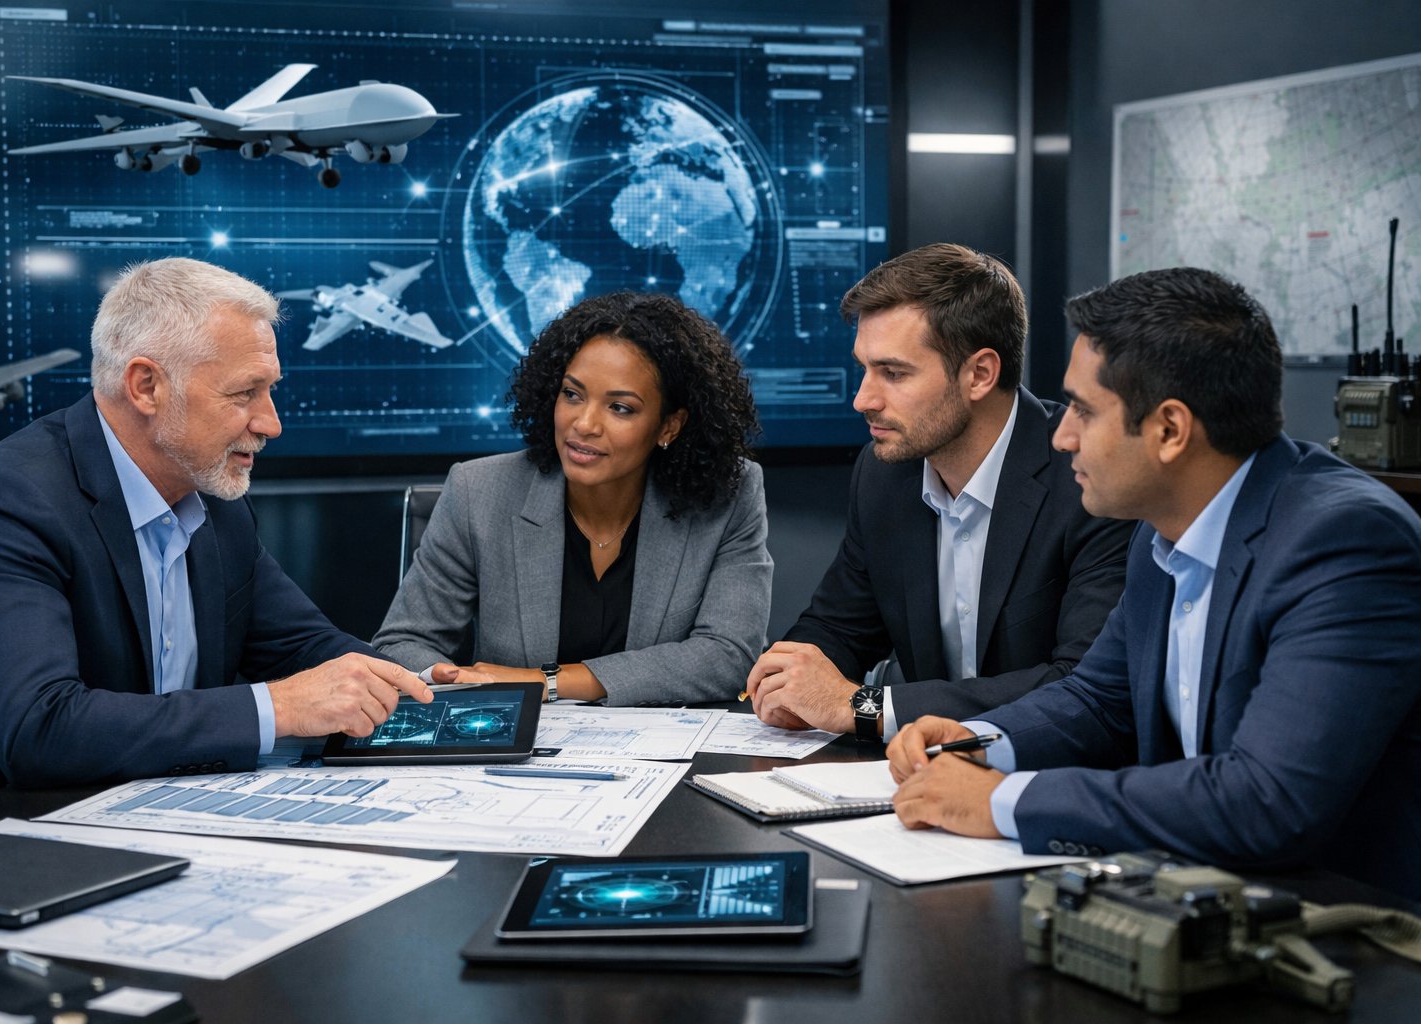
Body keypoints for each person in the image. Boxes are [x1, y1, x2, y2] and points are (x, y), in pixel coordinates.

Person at [889, 267, 1421, 900]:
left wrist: (1005, 799)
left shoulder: (1344, 541)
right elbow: (1098, 700)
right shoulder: (1162, 524)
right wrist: (983, 743)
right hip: (1205, 903)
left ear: (1169, 430)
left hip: (1349, 937)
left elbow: (1266, 801)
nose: (1062, 436)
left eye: (1084, 411)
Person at [0, 258, 433, 792]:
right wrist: (281, 706)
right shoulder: (1, 503)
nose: (271, 423)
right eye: (244, 393)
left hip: (157, 809)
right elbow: (41, 730)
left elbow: (301, 645)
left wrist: (416, 686)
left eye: (270, 390)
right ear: (146, 386)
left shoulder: (213, 494)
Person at [748, 244, 1131, 741]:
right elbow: (842, 628)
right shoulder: (884, 471)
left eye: (894, 373)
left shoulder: (1087, 476)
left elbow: (1080, 685)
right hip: (919, 778)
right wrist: (788, 681)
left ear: (980, 374)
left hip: (1050, 775)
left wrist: (863, 707)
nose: (863, 399)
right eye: (864, 368)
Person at [374, 291, 771, 704]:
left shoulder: (729, 496)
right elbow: (402, 642)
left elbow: (729, 656)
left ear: (669, 425)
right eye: (572, 394)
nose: (583, 424)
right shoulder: (479, 491)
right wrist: (445, 677)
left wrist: (542, 682)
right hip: (512, 755)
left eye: (619, 408)